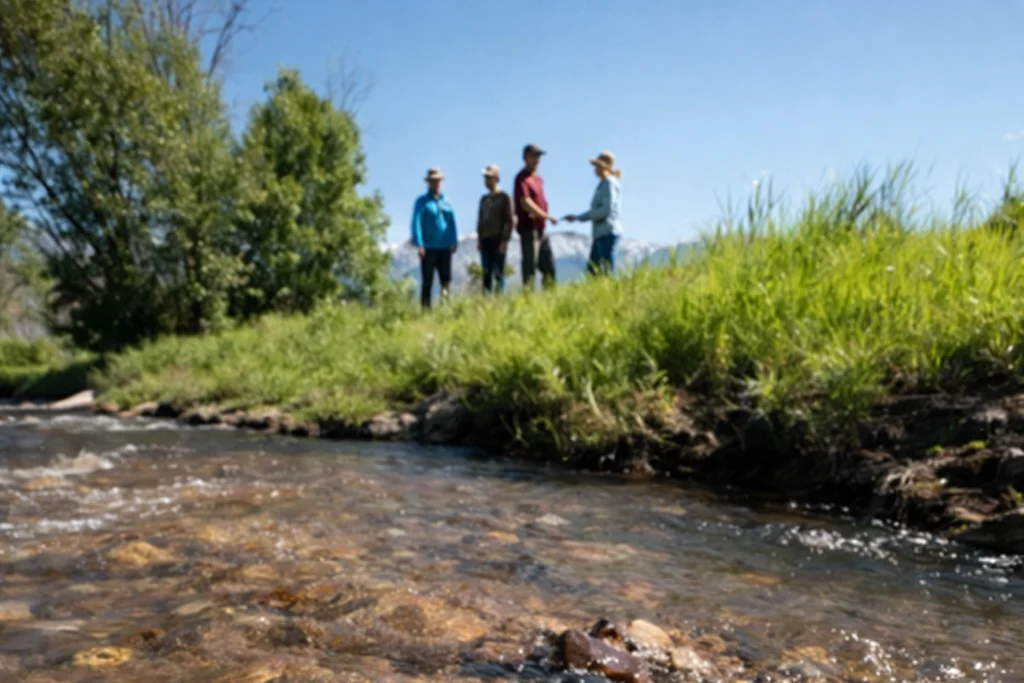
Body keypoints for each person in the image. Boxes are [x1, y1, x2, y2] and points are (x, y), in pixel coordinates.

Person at [564, 151, 622, 276]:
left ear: (603, 167)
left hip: (607, 232)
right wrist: (578, 217)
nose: (595, 169)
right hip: (600, 233)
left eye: (597, 166)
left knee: (604, 271)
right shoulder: (603, 184)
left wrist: (581, 217)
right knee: (593, 271)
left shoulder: (609, 183)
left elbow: (606, 210)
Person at [410, 167, 458, 308]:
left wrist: (454, 240)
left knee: (446, 280)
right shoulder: (422, 201)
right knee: (427, 281)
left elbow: (452, 222)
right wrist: (419, 244)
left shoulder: (447, 201)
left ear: (441, 182)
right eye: (433, 181)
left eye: (438, 181)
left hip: (445, 247)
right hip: (428, 247)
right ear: (428, 182)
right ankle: (426, 310)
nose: (436, 183)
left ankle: (445, 306)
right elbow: (416, 221)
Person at [514, 144, 558, 291]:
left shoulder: (539, 180)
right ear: (525, 158)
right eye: (533, 156)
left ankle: (550, 297)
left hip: (541, 229)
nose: (537, 160)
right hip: (528, 229)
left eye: (538, 157)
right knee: (530, 267)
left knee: (549, 266)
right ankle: (528, 298)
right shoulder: (521, 179)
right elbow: (525, 202)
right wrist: (546, 215)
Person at [476, 164, 514, 294]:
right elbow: (480, 221)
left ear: (497, 178)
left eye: (489, 177)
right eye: (485, 178)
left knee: (499, 272)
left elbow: (510, 220)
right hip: (485, 239)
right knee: (486, 272)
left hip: (498, 239)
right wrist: (479, 240)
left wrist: (505, 240)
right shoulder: (483, 200)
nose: (487, 180)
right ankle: (486, 299)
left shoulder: (504, 197)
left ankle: (499, 299)